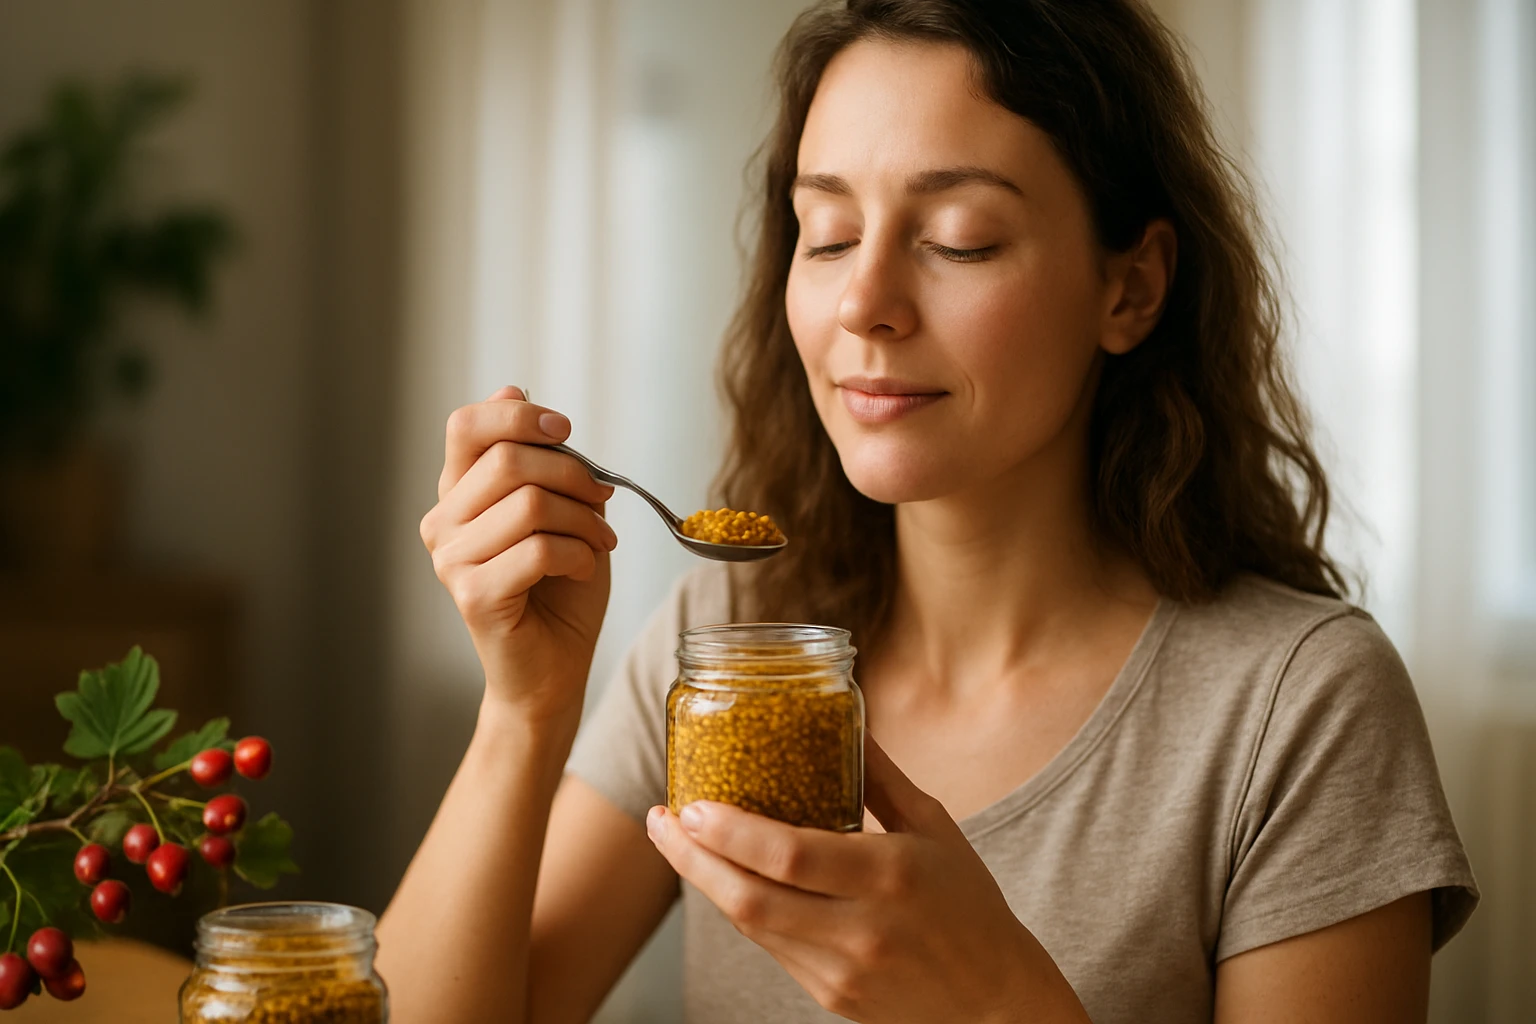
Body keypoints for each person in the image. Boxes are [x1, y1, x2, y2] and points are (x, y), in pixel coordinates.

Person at [376, 1, 1477, 1021]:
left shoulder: (1300, 707)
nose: (864, 303)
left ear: (1130, 288)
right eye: (827, 234)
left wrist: (1001, 999)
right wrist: (524, 710)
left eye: (960, 237)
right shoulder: (730, 642)